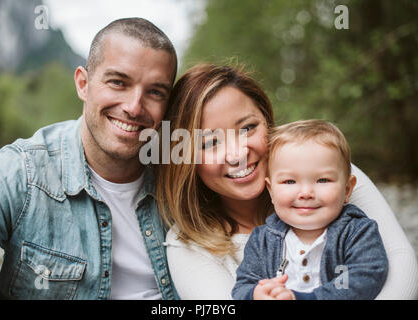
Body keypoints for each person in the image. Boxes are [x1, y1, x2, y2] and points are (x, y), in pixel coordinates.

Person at [158, 64, 418, 300]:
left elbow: (400, 267)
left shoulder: (329, 176)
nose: (237, 155)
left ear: (267, 122)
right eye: (211, 143)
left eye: (247, 128)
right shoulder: (186, 245)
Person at [0, 18, 179, 299]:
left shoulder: (185, 177)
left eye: (155, 92)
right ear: (83, 84)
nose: (133, 107)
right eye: (118, 82)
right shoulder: (21, 172)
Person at [232, 119, 388, 300]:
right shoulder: (262, 240)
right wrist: (256, 294)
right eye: (289, 181)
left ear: (347, 190)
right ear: (271, 191)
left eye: (323, 180)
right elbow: (243, 285)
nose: (306, 193)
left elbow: (363, 278)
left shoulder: (356, 233)